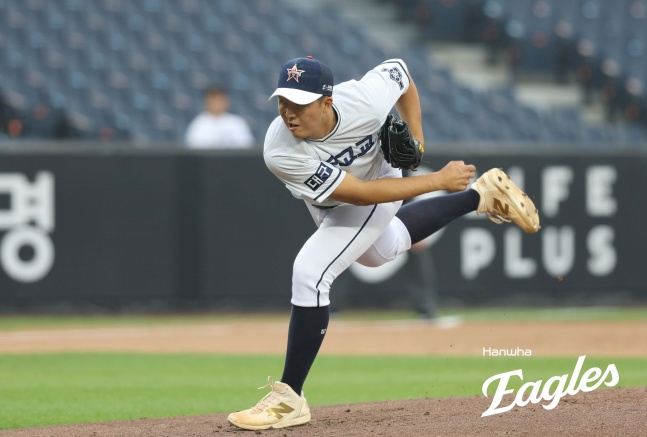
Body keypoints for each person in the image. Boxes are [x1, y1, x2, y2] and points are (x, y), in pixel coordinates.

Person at [227, 56, 539, 431]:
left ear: (326, 102)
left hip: (381, 179)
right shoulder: (280, 149)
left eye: (300, 102)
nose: (288, 112)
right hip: (342, 198)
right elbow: (355, 194)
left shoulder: (364, 99)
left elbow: (402, 72)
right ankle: (481, 196)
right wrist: (438, 181)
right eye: (283, 101)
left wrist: (417, 143)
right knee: (379, 252)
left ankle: (289, 397)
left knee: (310, 273)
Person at [184, 86, 255, 149]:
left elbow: (247, 147)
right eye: (213, 99)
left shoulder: (237, 122)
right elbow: (193, 150)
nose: (216, 103)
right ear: (206, 102)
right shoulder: (198, 124)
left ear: (226, 101)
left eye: (219, 100)